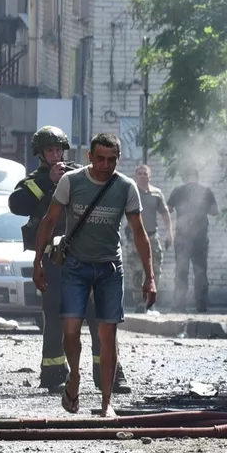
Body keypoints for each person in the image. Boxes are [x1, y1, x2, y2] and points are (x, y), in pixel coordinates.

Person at [31, 132, 157, 417]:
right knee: (71, 331)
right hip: (75, 267)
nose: (105, 165)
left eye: (111, 160)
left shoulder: (125, 187)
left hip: (109, 268)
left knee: (107, 334)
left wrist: (150, 276)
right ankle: (73, 377)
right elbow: (49, 221)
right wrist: (38, 263)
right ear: (90, 157)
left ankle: (106, 403)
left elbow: (139, 233)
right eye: (100, 158)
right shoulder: (71, 182)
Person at [8, 127, 93, 392]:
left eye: (59, 150)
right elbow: (16, 204)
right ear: (40, 154)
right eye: (50, 151)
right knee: (54, 317)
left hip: (83, 257)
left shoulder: (78, 174)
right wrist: (48, 182)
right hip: (52, 262)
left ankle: (110, 375)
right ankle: (54, 373)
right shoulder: (34, 181)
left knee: (97, 315)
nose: (56, 156)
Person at [165, 167, 218, 312]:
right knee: (200, 271)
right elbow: (215, 212)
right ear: (197, 177)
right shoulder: (206, 191)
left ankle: (179, 305)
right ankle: (201, 305)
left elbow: (167, 209)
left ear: (185, 177)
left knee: (181, 271)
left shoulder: (178, 191)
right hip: (200, 238)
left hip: (182, 237)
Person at [128, 163, 172, 312]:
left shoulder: (156, 193)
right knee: (137, 270)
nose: (142, 176)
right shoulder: (131, 192)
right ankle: (140, 303)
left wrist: (169, 233)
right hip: (135, 237)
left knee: (155, 270)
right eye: (139, 173)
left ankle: (150, 301)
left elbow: (165, 213)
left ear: (150, 176)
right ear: (135, 176)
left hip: (153, 237)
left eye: (145, 173)